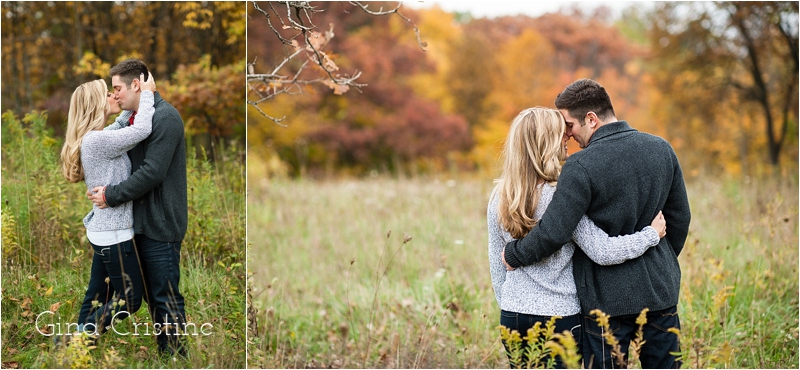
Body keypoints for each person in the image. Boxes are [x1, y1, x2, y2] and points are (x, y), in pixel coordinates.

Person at [502, 79, 691, 369]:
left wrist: (515, 254)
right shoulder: (661, 149)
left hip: (605, 302)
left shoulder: (580, 166)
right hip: (659, 293)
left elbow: (554, 231)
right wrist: (658, 262)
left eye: (570, 125)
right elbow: (679, 219)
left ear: (591, 118)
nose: (568, 134)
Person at [87, 59, 189, 358]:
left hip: (160, 224)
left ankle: (175, 359)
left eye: (118, 88)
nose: (114, 95)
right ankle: (79, 344)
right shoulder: (133, 118)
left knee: (164, 297)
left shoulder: (166, 118)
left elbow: (152, 172)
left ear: (136, 84)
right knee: (128, 295)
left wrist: (111, 195)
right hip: (134, 224)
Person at [58, 72, 156, 344]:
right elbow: (140, 131)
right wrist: (146, 94)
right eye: (107, 94)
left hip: (103, 229)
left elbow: (120, 127)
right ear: (95, 105)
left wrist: (129, 107)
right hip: (113, 233)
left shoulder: (95, 137)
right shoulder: (96, 141)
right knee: (131, 298)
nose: (114, 95)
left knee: (96, 296)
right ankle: (76, 339)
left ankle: (78, 348)